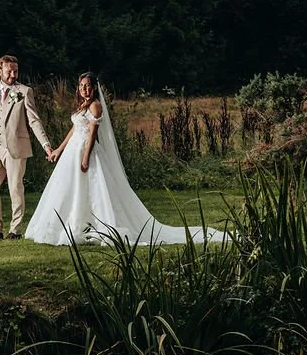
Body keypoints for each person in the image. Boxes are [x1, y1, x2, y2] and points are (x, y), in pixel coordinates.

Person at [24, 72, 225, 246]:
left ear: (94, 88)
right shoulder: (82, 105)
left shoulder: (95, 106)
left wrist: (86, 157)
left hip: (86, 151)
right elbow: (75, 129)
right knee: (68, 188)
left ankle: (90, 224)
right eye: (82, 86)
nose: (85, 89)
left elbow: (92, 135)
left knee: (91, 188)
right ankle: (72, 223)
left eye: (88, 86)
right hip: (72, 151)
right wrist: (59, 149)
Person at [0, 55, 53, 241]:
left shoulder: (24, 91)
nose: (12, 75)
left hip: (17, 147)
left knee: (15, 187)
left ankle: (15, 230)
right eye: (9, 71)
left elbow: (34, 121)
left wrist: (46, 146)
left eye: (15, 71)